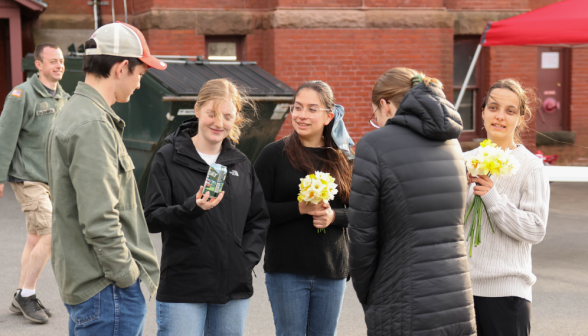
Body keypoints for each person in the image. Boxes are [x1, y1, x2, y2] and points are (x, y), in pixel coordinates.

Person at [46, 22, 166, 335]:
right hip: (108, 290)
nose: (139, 84)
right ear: (121, 68)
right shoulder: (92, 124)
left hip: (96, 288)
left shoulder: (78, 113)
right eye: (139, 74)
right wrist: (127, 277)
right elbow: (99, 219)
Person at [348, 67, 477, 335]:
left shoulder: (374, 144)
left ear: (386, 106)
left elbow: (362, 239)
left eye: (375, 115)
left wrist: (370, 297)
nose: (377, 122)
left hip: (401, 298)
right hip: (456, 294)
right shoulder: (452, 143)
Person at [144, 78, 270, 336]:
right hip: (183, 285)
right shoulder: (168, 157)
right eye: (212, 113)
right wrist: (193, 207)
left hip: (232, 286)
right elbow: (152, 218)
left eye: (227, 116)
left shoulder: (241, 164)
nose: (218, 123)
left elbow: (258, 219)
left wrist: (244, 261)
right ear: (197, 109)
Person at [254, 80, 354, 336]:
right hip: (286, 270)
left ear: (328, 116)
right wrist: (298, 209)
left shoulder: (344, 157)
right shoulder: (273, 155)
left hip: (332, 269)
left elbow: (364, 211)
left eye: (311, 109)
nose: (301, 115)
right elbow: (254, 210)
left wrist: (334, 216)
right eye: (297, 108)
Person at [465, 79, 549, 336]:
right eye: (493, 108)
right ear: (482, 112)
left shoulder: (531, 167)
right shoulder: (465, 160)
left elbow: (535, 229)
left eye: (510, 111)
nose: (500, 116)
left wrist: (493, 198)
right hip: (462, 291)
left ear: (521, 117)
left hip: (507, 293)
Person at [0, 43, 69, 323]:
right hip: (28, 178)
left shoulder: (63, 97)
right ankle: (27, 295)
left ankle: (20, 294)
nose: (59, 65)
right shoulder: (21, 95)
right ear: (38, 65)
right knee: (52, 234)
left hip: (52, 178)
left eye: (61, 61)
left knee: (35, 238)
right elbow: (5, 137)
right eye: (52, 61)